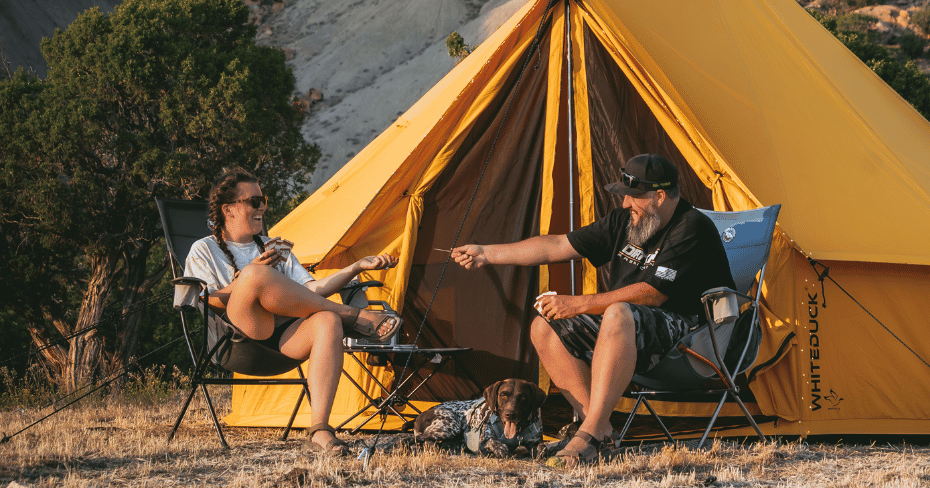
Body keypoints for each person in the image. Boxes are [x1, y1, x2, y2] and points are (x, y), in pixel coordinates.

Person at [452, 154, 733, 465]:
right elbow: (557, 245)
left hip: (688, 337)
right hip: (625, 328)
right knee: (544, 326)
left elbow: (652, 295)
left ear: (660, 196)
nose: (626, 204)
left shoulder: (692, 227)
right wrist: (486, 253)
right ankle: (599, 428)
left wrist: (579, 303)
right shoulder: (625, 221)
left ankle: (589, 433)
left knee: (616, 311)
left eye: (633, 196)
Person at [184, 167, 400, 455]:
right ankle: (352, 316)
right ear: (229, 209)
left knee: (326, 320)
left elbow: (311, 291)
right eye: (254, 201)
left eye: (263, 200)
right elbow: (206, 298)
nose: (262, 207)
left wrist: (357, 266)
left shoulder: (276, 247)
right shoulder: (204, 249)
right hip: (238, 339)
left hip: (282, 341)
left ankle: (321, 431)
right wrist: (246, 279)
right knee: (254, 275)